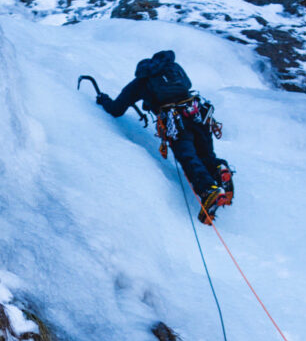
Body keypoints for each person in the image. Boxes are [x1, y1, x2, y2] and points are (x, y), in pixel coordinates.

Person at [96, 50, 233, 222]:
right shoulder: (174, 68)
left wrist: (104, 100)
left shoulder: (141, 81)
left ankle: (208, 191)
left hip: (175, 122)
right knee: (206, 155)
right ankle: (219, 171)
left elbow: (117, 109)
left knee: (188, 157)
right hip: (197, 113)